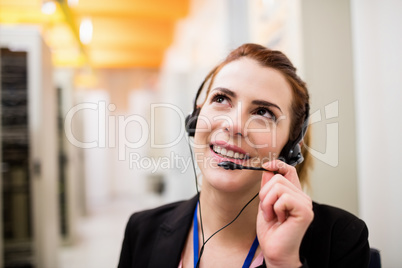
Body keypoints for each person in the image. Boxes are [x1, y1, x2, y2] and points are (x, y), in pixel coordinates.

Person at [117, 43, 370, 268]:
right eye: (221, 98)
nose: (235, 125)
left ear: (291, 145)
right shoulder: (142, 231)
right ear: (196, 118)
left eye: (263, 112)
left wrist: (283, 263)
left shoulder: (341, 238)